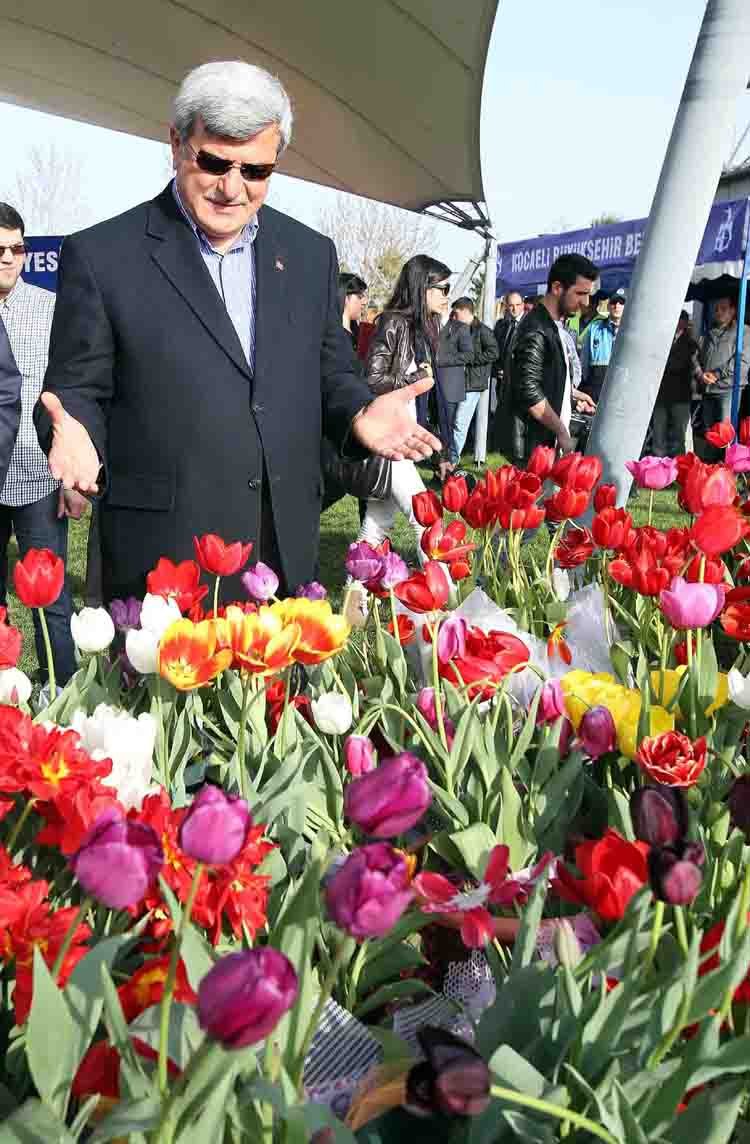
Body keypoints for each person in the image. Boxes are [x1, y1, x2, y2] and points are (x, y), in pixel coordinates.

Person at [34, 62, 440, 601]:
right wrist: (77, 433)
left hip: (283, 550)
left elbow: (331, 369)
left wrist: (361, 410)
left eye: (255, 171)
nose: (232, 188)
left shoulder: (309, 255)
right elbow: (75, 391)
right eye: (214, 162)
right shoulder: (103, 256)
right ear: (177, 142)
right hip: (163, 556)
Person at [0, 202, 80, 685]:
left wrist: (72, 480)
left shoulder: (52, 312)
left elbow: (70, 396)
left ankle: (60, 689)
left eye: (17, 248)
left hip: (39, 477)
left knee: (48, 596)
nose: (8, 258)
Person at [357, 255, 451, 553]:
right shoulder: (394, 322)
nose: (447, 297)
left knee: (375, 527)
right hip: (389, 437)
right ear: (423, 288)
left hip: (403, 437)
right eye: (443, 289)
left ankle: (354, 595)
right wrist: (415, 376)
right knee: (425, 519)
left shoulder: (421, 328)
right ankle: (441, 594)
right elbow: (372, 377)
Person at [502, 254, 599, 464]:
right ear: (557, 288)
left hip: (542, 442)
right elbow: (529, 390)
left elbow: (545, 375)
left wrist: (572, 393)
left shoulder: (551, 325)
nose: (586, 302)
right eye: (580, 293)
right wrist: (561, 430)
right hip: (531, 447)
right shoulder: (536, 329)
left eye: (588, 294)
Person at [698, 294, 750, 457]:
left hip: (728, 390)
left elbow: (741, 360)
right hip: (708, 389)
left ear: (733, 310)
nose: (718, 312)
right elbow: (700, 356)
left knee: (725, 433)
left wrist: (717, 374)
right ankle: (710, 470)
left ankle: (727, 471)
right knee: (709, 433)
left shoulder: (744, 331)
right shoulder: (709, 331)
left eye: (723, 308)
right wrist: (701, 374)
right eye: (716, 309)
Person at [451, 297, 499, 463]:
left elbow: (494, 352)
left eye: (456, 314)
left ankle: (451, 461)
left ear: (465, 311)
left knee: (460, 423)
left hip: (473, 384)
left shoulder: (483, 331)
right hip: (461, 382)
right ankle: (450, 458)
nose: (454, 317)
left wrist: (471, 358)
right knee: (456, 422)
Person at [651, 310, 699, 457]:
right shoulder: (660, 341)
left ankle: (683, 466)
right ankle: (658, 466)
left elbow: (687, 365)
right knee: (659, 433)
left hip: (680, 396)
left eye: (679, 319)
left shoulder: (691, 344)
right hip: (660, 395)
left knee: (681, 434)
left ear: (684, 323)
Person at [434, 304, 474, 476]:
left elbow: (468, 355)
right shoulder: (429, 323)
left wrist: (442, 360)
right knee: (434, 424)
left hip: (450, 385)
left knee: (448, 427)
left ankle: (449, 465)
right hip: (430, 384)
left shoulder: (460, 328)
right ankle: (439, 462)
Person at [579, 288, 626, 402]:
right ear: (608, 305)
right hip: (596, 388)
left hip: (621, 390)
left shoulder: (632, 330)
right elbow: (584, 361)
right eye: (614, 302)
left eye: (621, 303)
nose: (617, 306)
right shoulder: (595, 328)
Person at [338, 273, 367, 352]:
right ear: (345, 297)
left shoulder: (359, 335)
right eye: (359, 296)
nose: (365, 302)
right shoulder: (332, 339)